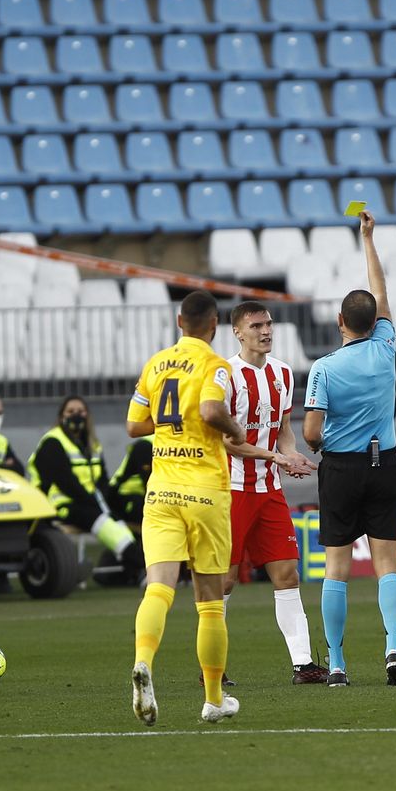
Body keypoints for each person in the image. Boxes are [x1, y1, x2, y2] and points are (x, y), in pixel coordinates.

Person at [125, 291, 248, 725]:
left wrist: (169, 423)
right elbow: (213, 410)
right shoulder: (214, 365)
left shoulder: (155, 365)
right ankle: (214, 699)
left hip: (161, 492)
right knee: (210, 602)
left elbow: (133, 425)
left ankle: (144, 661)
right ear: (213, 325)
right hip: (205, 493)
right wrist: (232, 431)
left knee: (158, 587)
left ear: (180, 322)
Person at [302, 210, 396, 689]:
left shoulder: (323, 369)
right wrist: (369, 239)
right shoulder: (386, 348)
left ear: (340, 321)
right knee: (387, 564)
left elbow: (310, 432)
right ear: (375, 322)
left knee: (337, 569)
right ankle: (393, 648)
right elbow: (380, 294)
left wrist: (324, 441)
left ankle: (340, 663)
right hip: (384, 462)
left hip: (342, 468)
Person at [221, 301, 328, 685]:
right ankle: (212, 666)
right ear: (237, 332)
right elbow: (227, 442)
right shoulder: (225, 375)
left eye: (268, 324)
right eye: (256, 326)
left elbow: (283, 429)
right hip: (231, 490)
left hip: (270, 490)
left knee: (287, 574)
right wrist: (276, 457)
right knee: (225, 581)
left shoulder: (283, 372)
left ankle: (302, 664)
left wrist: (292, 455)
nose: (265, 331)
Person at [28, 396, 143, 582]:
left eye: (81, 411)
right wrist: (100, 508)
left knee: (117, 519)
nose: (76, 416)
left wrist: (107, 507)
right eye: (70, 412)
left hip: (87, 503)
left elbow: (103, 481)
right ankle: (143, 567)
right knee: (101, 521)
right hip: (57, 506)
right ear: (61, 416)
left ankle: (128, 569)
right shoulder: (52, 442)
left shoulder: (93, 445)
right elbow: (67, 484)